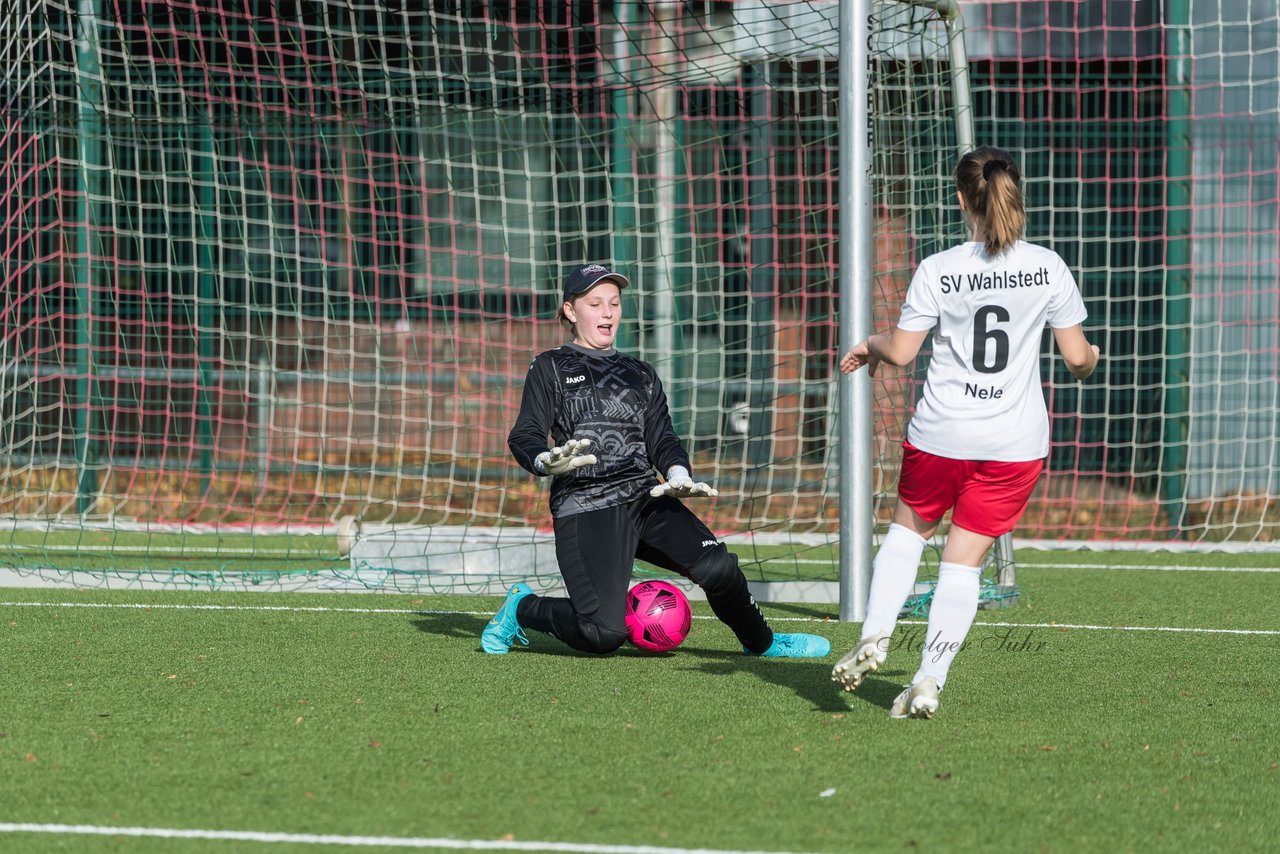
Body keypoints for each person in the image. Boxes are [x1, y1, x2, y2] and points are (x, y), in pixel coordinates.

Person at [830, 146, 1099, 718]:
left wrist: (868, 345)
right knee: (961, 567)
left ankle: (875, 635)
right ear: (1014, 194)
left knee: (905, 537)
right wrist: (1092, 356)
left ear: (960, 200)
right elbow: (1077, 359)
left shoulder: (938, 268)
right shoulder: (1047, 266)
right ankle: (929, 679)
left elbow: (901, 354)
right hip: (1012, 446)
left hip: (940, 436)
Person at [482, 263, 831, 659]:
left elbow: (662, 438)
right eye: (595, 303)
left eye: (614, 303)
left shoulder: (641, 374)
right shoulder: (550, 367)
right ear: (570, 311)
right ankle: (521, 607)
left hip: (643, 498)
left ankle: (764, 643)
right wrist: (544, 461)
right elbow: (524, 434)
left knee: (718, 567)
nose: (608, 312)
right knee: (602, 634)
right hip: (587, 506)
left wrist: (677, 471)